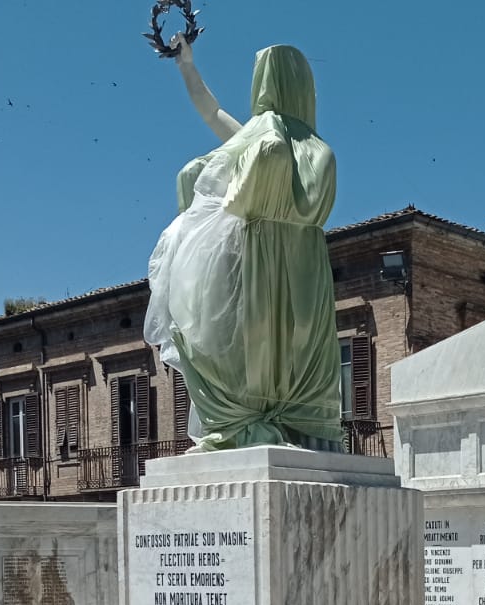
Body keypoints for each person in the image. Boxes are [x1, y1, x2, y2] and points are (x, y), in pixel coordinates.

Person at [146, 34, 342, 451]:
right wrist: (187, 65)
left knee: (260, 354)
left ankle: (260, 425)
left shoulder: (278, 145)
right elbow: (213, 111)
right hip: (286, 268)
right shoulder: (306, 149)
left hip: (269, 265)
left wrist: (187, 65)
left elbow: (213, 114)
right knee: (268, 353)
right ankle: (264, 426)